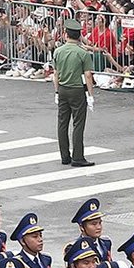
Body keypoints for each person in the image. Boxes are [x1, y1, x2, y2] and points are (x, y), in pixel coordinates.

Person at [52, 19, 96, 168]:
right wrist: (90, 95)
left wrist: (56, 91)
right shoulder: (82, 53)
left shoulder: (58, 51)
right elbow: (88, 75)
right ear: (79, 36)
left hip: (63, 88)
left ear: (66, 34)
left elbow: (55, 74)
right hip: (77, 90)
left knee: (62, 123)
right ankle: (78, 156)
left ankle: (65, 156)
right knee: (78, 124)